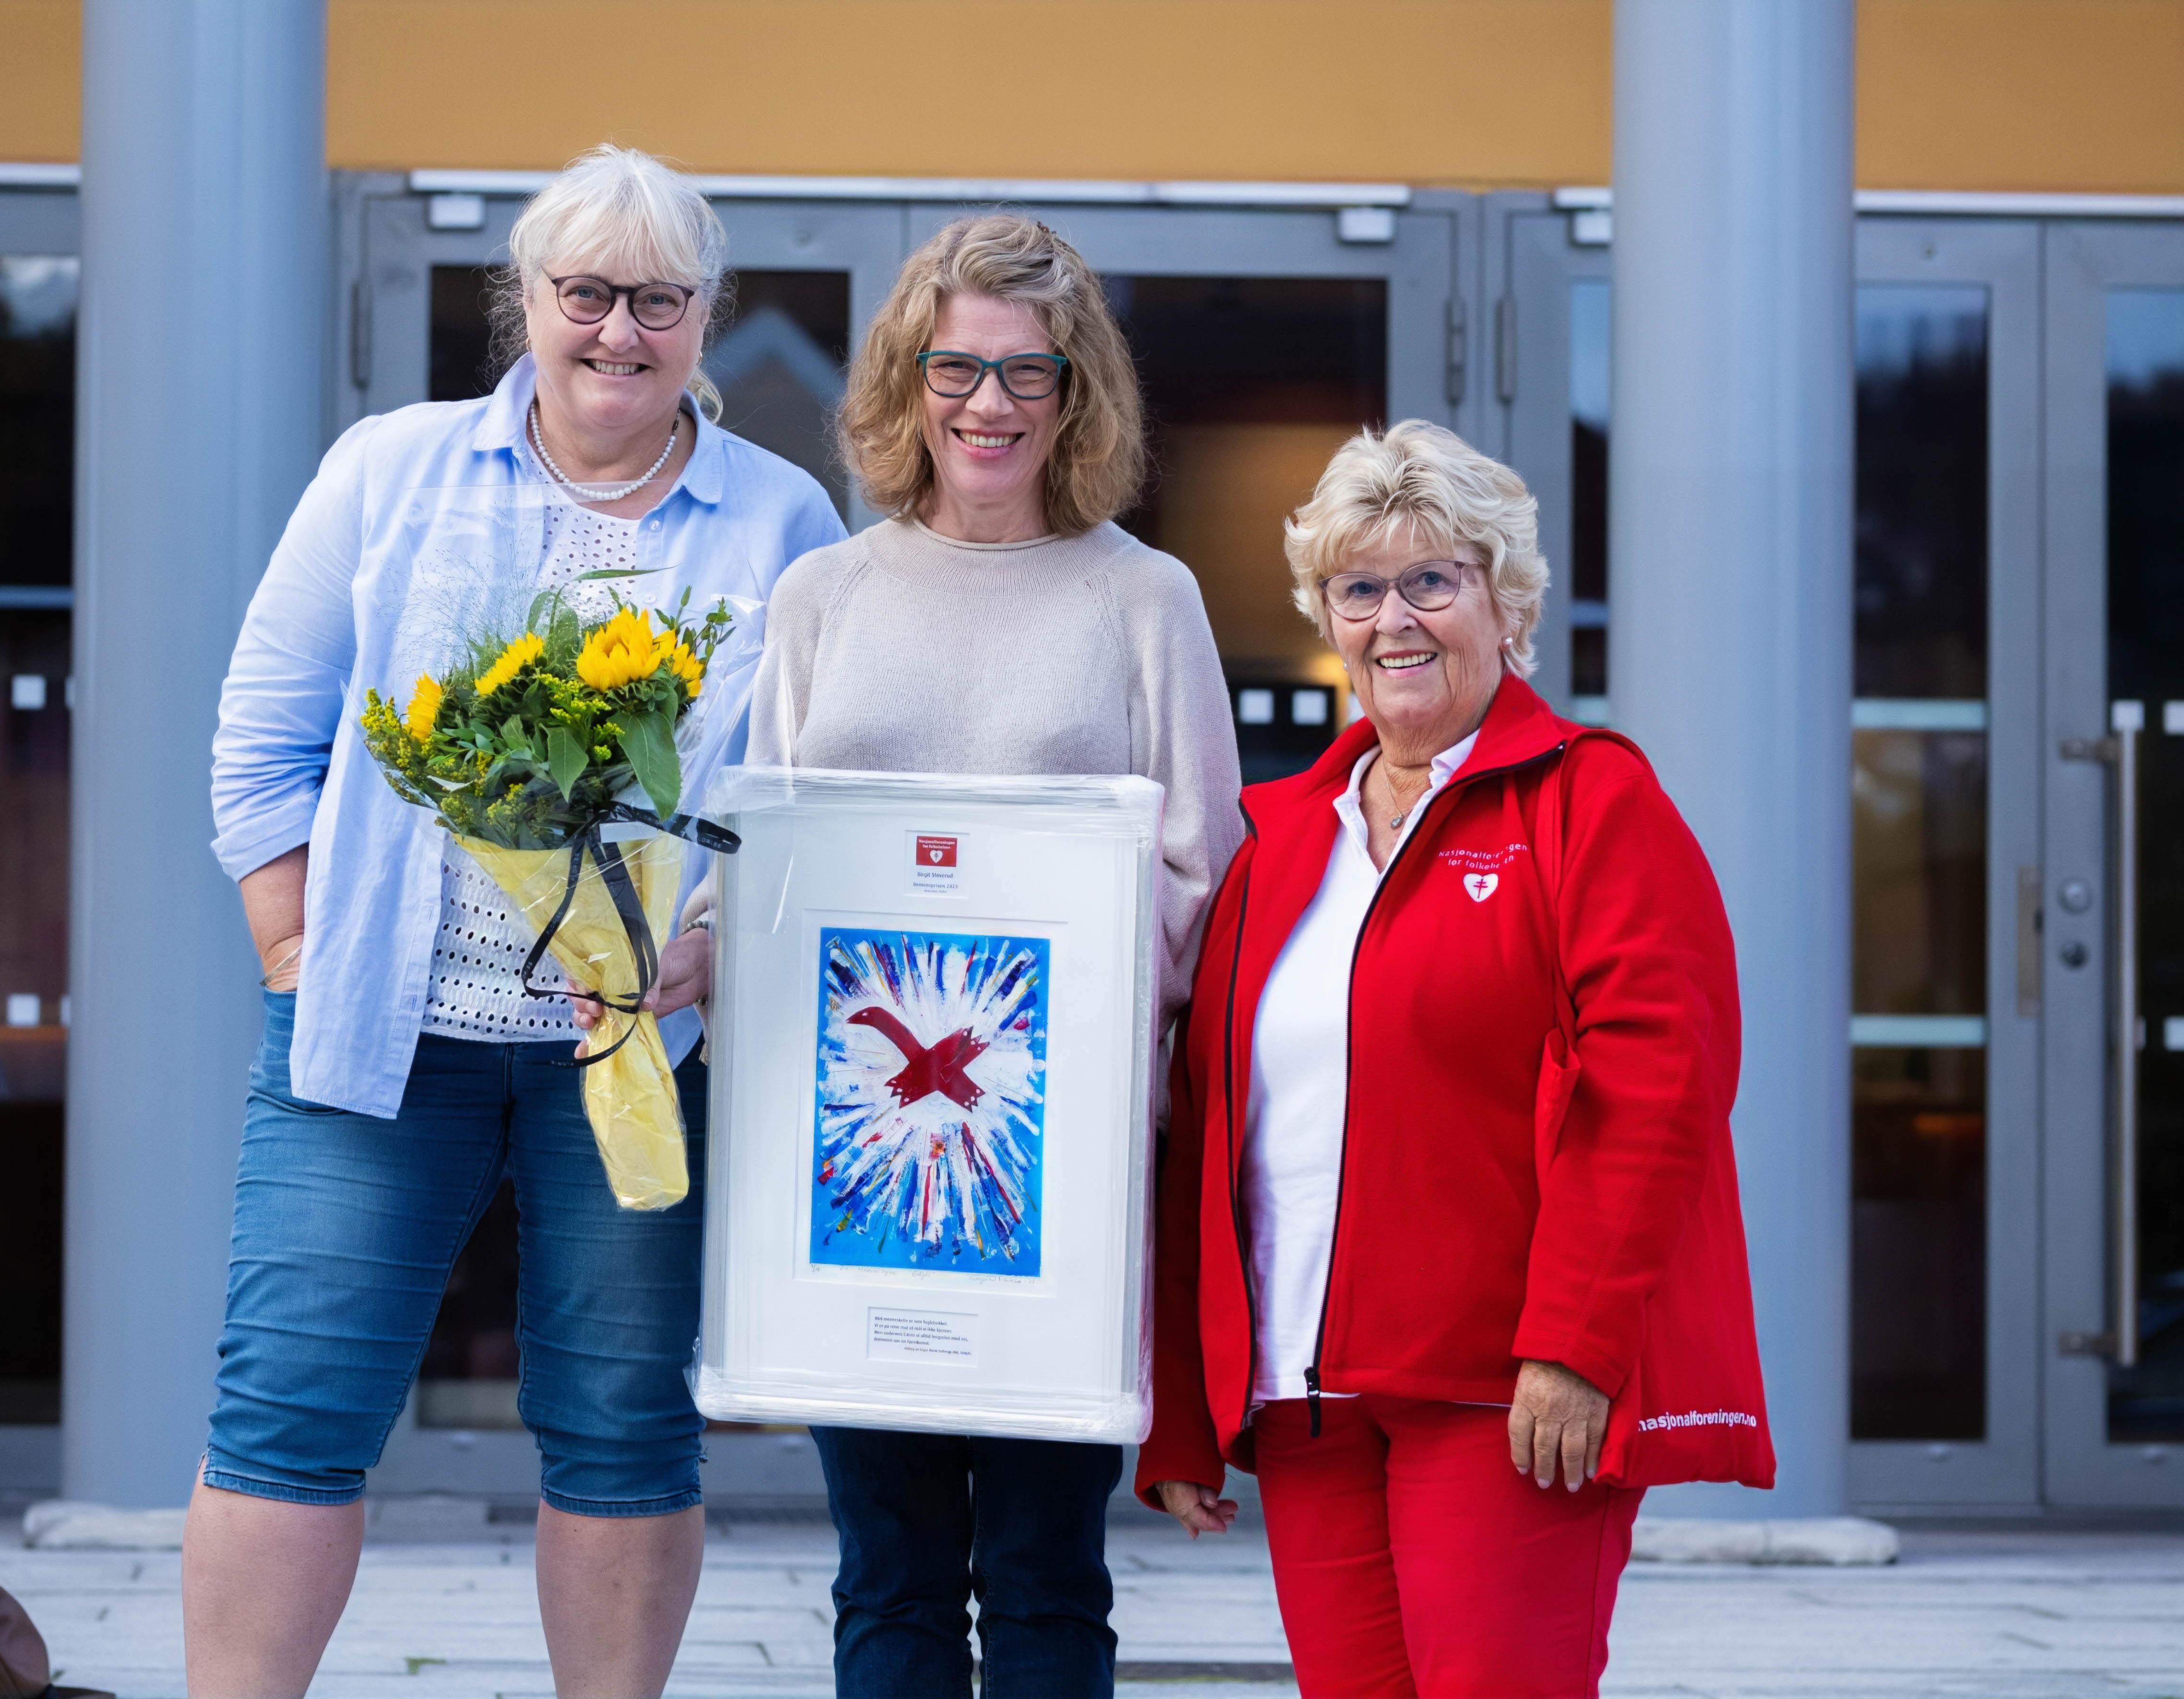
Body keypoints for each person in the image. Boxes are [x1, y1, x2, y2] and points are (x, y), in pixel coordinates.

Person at [193, 145, 845, 1699]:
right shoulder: (388, 470)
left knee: (623, 1423)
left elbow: (814, 793)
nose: (620, 331)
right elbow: (261, 743)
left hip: (634, 1050)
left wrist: (723, 949)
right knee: (289, 1405)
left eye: (661, 301)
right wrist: (293, 955)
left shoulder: (783, 518)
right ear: (527, 303)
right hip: (373, 1040)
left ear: (706, 317)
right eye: (587, 294)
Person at [649, 213, 1243, 1697]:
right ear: (909, 382)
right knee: (889, 1576)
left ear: (1074, 391)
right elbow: (756, 856)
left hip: (1063, 1169)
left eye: (1025, 374)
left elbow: (1199, 882)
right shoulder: (823, 597)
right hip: (857, 1158)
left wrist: (1073, 1002)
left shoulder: (1143, 599)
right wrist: (697, 949)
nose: (989, 406)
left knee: (1048, 1577)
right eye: (956, 370)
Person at [1138, 421, 1773, 1699]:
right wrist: (1186, 1405)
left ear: (1509, 599)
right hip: (1308, 1396)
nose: (1394, 620)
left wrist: (1579, 1345)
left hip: (1507, 1392)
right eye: (1359, 589)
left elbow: (1658, 1088)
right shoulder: (1275, 836)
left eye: (1435, 579)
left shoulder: (1593, 802)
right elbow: (1204, 1119)